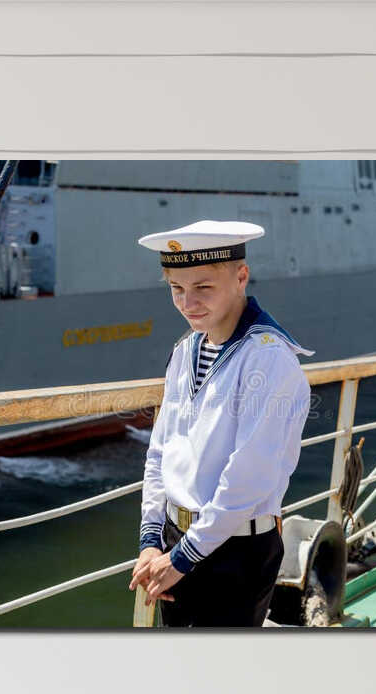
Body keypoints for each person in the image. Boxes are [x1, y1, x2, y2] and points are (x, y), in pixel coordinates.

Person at [128, 219, 315, 628]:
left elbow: (249, 477)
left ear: (241, 276)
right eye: (176, 288)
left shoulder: (266, 358)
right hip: (176, 541)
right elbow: (161, 452)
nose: (188, 302)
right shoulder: (186, 350)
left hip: (236, 550)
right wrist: (151, 540)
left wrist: (182, 558)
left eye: (203, 287)